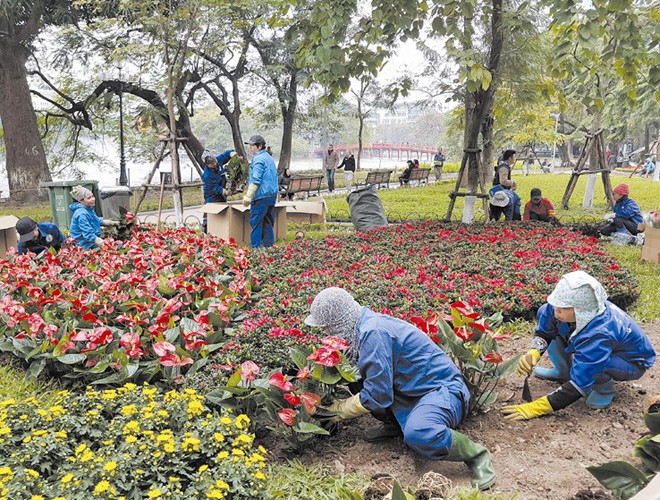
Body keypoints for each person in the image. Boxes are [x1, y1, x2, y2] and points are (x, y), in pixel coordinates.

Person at [305, 287, 496, 490]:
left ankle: (476, 455)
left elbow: (378, 394)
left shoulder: (373, 333)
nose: (326, 333)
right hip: (410, 390)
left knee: (419, 433)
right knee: (358, 379)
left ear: (339, 321)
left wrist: (339, 410)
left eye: (327, 327)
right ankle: (395, 425)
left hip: (442, 391)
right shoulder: (362, 328)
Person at [501, 271, 655, 420]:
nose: (557, 310)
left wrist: (536, 408)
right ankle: (563, 371)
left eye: (565, 307)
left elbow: (580, 383)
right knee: (557, 331)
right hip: (604, 347)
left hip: (630, 361)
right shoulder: (555, 308)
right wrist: (534, 351)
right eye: (556, 303)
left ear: (583, 312)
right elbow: (545, 333)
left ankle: (604, 389)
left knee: (596, 364)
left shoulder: (599, 334)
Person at [242, 134, 279, 248]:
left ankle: (255, 252)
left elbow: (256, 180)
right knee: (268, 224)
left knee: (256, 224)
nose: (250, 148)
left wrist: (248, 196)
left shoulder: (258, 159)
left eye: (252, 146)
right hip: (271, 197)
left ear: (259, 146)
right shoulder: (268, 157)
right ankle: (270, 250)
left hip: (260, 197)